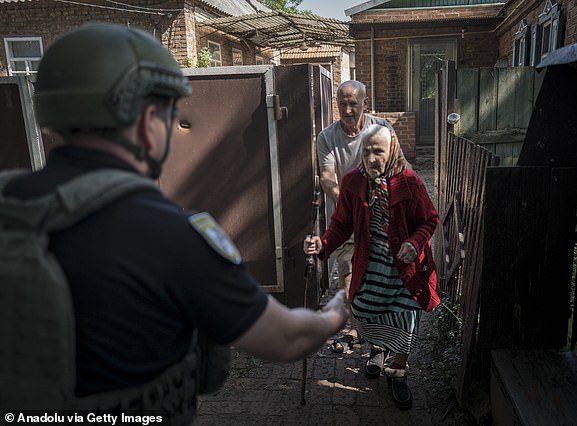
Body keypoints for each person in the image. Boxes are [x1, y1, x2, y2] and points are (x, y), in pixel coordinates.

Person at [0, 22, 348, 420]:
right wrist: (334, 314)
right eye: (170, 114)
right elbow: (285, 339)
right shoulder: (170, 235)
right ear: (149, 119)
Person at [305, 124, 440, 410]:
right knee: (366, 309)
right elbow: (341, 224)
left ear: (392, 150)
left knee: (405, 317)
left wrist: (414, 244)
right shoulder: (354, 182)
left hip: (404, 270)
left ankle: (398, 371)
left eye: (378, 151)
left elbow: (430, 220)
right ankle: (378, 350)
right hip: (371, 263)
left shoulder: (409, 182)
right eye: (366, 151)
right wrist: (323, 244)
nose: (371, 158)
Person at [317, 80, 392, 353]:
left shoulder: (382, 129)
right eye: (342, 104)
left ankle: (381, 330)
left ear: (365, 104)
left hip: (380, 213)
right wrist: (351, 206)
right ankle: (356, 326)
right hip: (345, 214)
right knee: (348, 273)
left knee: (379, 271)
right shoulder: (326, 137)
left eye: (353, 104)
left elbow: (396, 169)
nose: (348, 110)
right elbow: (327, 178)